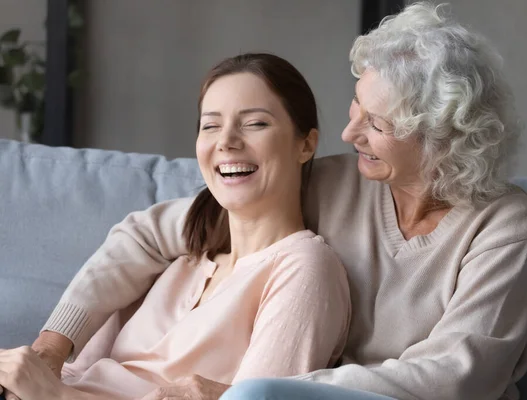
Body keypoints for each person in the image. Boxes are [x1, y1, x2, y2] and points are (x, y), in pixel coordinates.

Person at [3, 2, 527, 400]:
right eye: (355, 107)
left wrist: (265, 390)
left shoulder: (501, 223)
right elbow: (158, 230)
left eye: (375, 124)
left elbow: (461, 372)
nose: (348, 133)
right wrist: (54, 348)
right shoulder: (338, 180)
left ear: (440, 137)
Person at [0, 53, 351, 400]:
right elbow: (73, 373)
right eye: (210, 125)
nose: (225, 141)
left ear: (306, 144)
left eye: (255, 123)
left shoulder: (304, 268)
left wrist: (54, 396)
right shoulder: (181, 259)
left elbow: (259, 398)